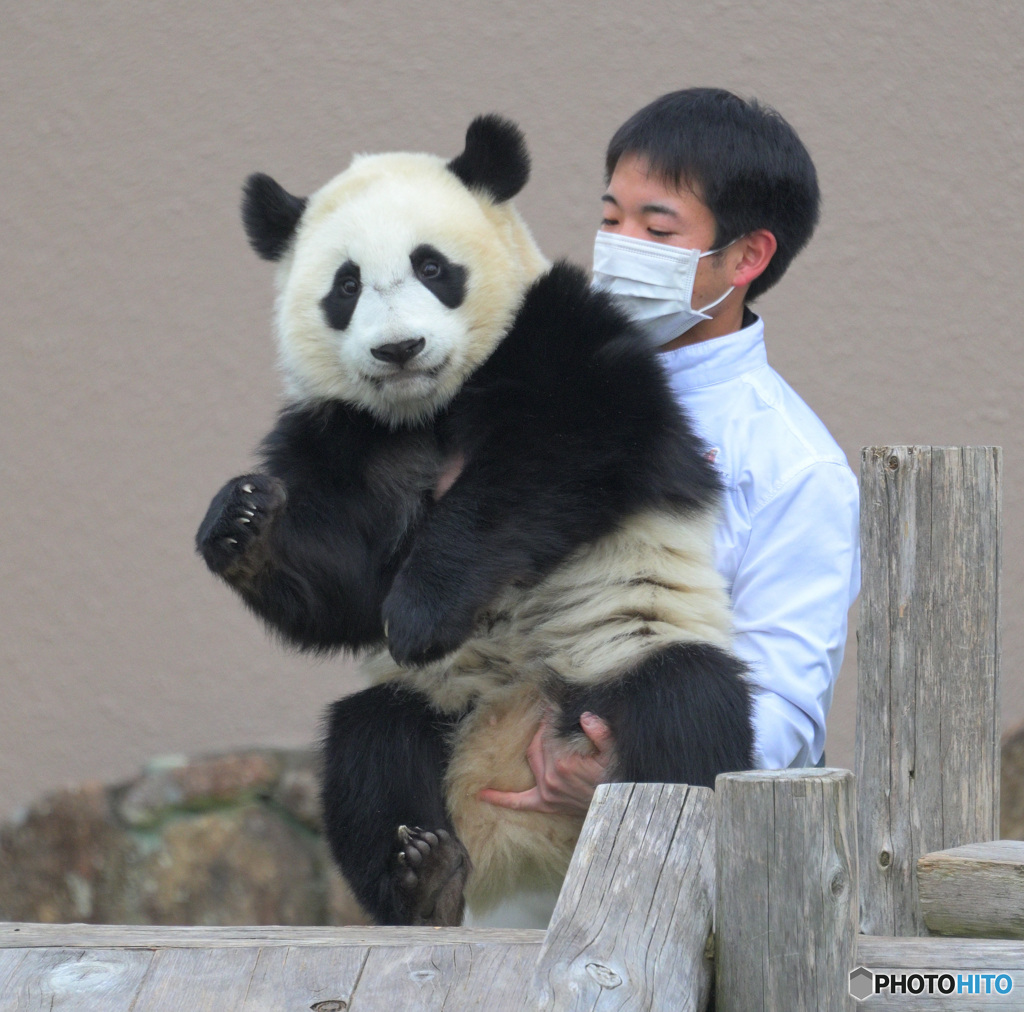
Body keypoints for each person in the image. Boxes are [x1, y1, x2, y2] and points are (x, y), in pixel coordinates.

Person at [480, 87, 861, 817]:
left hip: (672, 855)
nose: (620, 249)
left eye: (657, 231)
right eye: (610, 219)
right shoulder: (537, 381)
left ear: (748, 254)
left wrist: (626, 779)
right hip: (501, 828)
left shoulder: (793, 463)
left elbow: (781, 710)